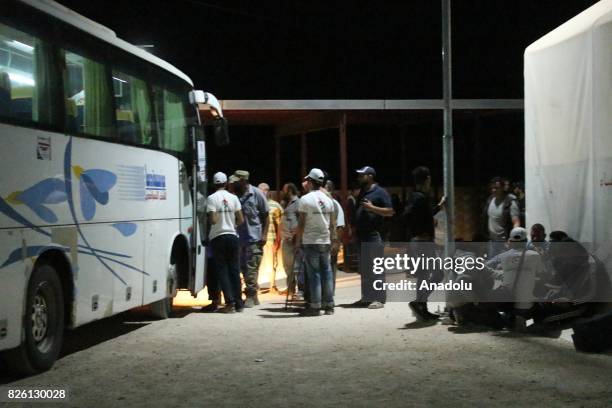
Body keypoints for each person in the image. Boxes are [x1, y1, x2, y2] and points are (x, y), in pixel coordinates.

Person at [403, 166, 446, 321]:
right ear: (427, 179)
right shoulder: (419, 197)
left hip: (419, 241)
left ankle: (422, 306)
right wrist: (421, 231)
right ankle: (419, 303)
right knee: (437, 274)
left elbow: (422, 215)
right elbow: (408, 216)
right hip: (422, 242)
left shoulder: (415, 196)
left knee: (423, 275)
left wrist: (438, 207)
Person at [351, 166, 394, 309]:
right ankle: (367, 297)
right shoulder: (363, 192)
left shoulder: (380, 192)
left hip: (374, 235)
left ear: (370, 176)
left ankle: (379, 299)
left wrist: (372, 208)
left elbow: (390, 212)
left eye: (361, 175)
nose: (358, 178)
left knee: (376, 268)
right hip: (361, 235)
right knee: (365, 269)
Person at [295, 168, 336, 316]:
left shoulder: (305, 199)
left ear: (311, 182)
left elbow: (301, 224)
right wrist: (334, 240)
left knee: (315, 274)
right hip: (325, 240)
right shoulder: (329, 199)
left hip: (310, 240)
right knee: (327, 273)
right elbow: (332, 223)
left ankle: (315, 306)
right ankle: (329, 305)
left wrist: (297, 242)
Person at [207, 172, 244, 313]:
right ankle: (239, 303)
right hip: (233, 236)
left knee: (222, 271)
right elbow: (240, 219)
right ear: (226, 183)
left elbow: (213, 220)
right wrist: (231, 223)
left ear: (214, 184)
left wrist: (217, 214)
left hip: (218, 238)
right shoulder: (233, 197)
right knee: (235, 270)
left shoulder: (211, 198)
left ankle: (230, 303)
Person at [233, 170, 270, 307]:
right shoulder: (235, 196)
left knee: (252, 268)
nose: (234, 183)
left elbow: (266, 216)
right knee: (243, 268)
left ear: (244, 181)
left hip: (254, 238)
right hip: (240, 239)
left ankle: (250, 295)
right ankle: (253, 295)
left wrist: (264, 234)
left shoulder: (257, 194)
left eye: (237, 181)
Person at [483, 176, 521, 257]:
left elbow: (516, 222)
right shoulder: (490, 200)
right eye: (492, 188)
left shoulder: (510, 202)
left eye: (497, 188)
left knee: (503, 266)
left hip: (505, 242)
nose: (494, 190)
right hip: (492, 241)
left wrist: (513, 238)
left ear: (503, 188)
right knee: (491, 265)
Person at [279, 183, 303, 299]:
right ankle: (291, 289)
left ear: (289, 191)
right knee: (288, 267)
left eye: (284, 190)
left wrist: (296, 234)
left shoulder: (298, 203)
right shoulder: (287, 204)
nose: (283, 193)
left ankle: (300, 291)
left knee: (297, 266)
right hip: (286, 239)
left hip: (294, 240)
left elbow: (302, 220)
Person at [258, 183, 283, 292]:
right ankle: (255, 286)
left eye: (264, 190)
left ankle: (272, 285)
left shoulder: (275, 206)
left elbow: (281, 224)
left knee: (272, 262)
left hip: (270, 239)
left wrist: (278, 240)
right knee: (256, 263)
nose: (262, 192)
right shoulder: (255, 204)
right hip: (256, 239)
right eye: (260, 190)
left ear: (268, 191)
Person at [324, 179, 345, 294]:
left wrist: (336, 243)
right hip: (321, 242)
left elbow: (340, 225)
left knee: (330, 270)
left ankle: (329, 295)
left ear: (329, 189)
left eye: (324, 187)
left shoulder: (335, 204)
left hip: (330, 243)